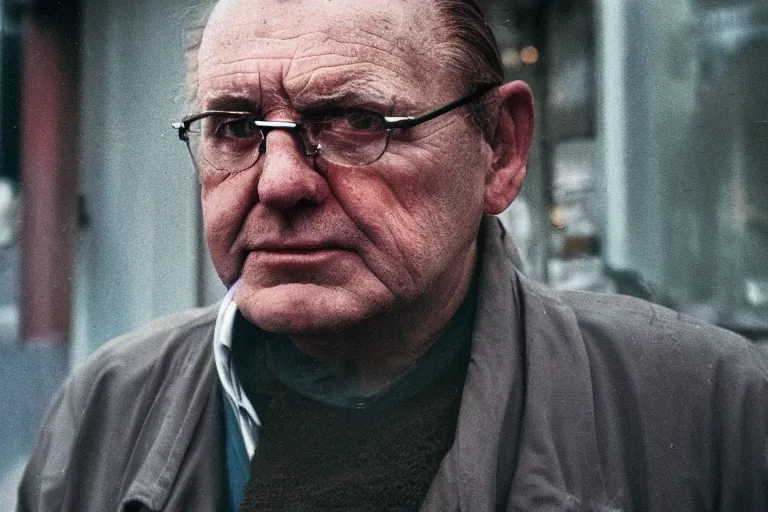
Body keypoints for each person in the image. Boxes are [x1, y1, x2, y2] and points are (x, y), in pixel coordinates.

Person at [16, 0, 768, 510]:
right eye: (236, 129)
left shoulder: (713, 411)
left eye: (354, 120)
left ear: (499, 150)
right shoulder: (104, 410)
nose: (278, 182)